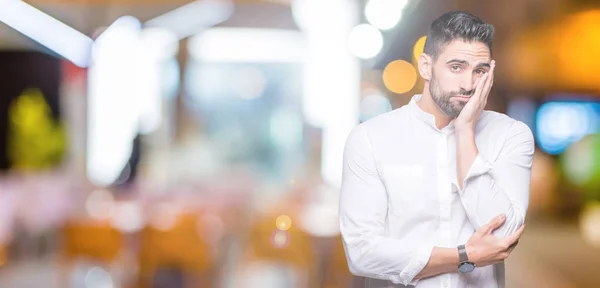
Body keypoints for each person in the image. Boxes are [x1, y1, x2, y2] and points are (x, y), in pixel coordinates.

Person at [339, 11, 534, 288]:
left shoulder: (510, 135)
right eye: (456, 67)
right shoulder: (370, 138)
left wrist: (465, 131)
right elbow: (361, 253)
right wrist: (464, 255)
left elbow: (504, 236)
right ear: (425, 67)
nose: (469, 84)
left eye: (479, 70)